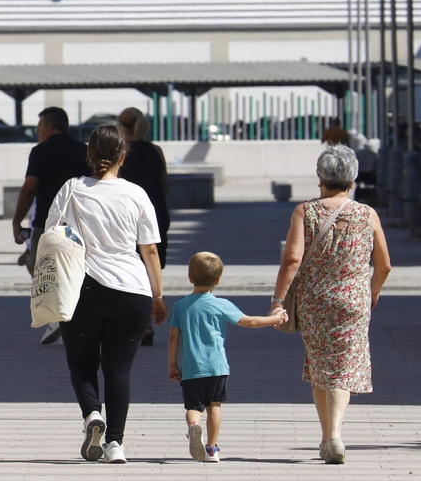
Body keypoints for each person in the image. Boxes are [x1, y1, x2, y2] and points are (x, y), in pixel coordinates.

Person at [47, 123, 165, 463]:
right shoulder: (136, 194)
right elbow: (150, 250)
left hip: (81, 289)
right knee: (118, 369)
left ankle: (92, 414)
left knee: (81, 362)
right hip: (132, 291)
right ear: (123, 156)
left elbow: (52, 233)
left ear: (88, 154)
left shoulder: (72, 189)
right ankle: (115, 445)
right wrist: (158, 297)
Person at [271, 144, 391, 464]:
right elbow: (384, 265)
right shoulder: (367, 214)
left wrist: (278, 301)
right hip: (353, 301)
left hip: (314, 300)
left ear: (320, 178)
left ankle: (329, 436)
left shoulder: (305, 212)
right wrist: (372, 291)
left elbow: (292, 260)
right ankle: (333, 436)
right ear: (352, 180)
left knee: (320, 365)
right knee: (342, 367)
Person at [167, 251, 288, 463]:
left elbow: (173, 337)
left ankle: (194, 427)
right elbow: (249, 322)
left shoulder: (180, 306)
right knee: (214, 406)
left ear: (190, 278)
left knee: (193, 407)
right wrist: (273, 319)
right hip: (217, 368)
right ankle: (211, 449)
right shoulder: (222, 304)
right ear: (218, 280)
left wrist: (172, 365)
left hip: (191, 369)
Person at [12, 107, 88, 344]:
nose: (37, 131)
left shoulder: (40, 151)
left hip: (47, 223)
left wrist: (16, 220)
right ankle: (73, 320)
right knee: (75, 270)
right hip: (79, 222)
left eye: (39, 126)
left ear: (50, 127)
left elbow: (29, 188)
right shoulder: (83, 150)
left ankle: (57, 320)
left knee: (40, 269)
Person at [116, 106, 170, 347]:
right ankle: (146, 325)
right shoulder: (155, 150)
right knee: (151, 269)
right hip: (157, 214)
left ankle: (133, 324)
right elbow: (165, 185)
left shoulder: (121, 152)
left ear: (122, 126)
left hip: (128, 216)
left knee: (129, 269)